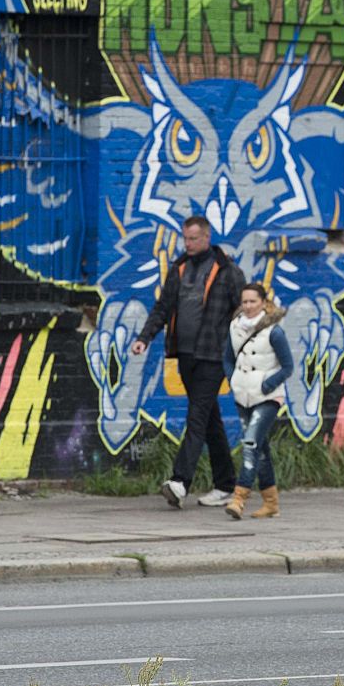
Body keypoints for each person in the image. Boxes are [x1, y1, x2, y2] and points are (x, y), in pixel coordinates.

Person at [130, 216, 242, 508]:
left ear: (206, 237)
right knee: (209, 419)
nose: (188, 244)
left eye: (193, 238)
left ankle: (180, 482)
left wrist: (238, 348)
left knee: (196, 415)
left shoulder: (227, 271)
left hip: (213, 356)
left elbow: (243, 312)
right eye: (185, 238)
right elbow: (163, 307)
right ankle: (226, 484)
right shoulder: (179, 268)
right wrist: (145, 337)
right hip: (185, 355)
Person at [223, 283, 292, 519]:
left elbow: (288, 367)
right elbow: (228, 358)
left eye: (253, 301)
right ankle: (271, 503)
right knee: (260, 449)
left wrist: (267, 384)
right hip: (243, 394)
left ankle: (239, 498)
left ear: (263, 302)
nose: (248, 306)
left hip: (267, 397)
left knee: (250, 443)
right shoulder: (235, 327)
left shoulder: (274, 332)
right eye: (245, 302)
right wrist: (233, 379)